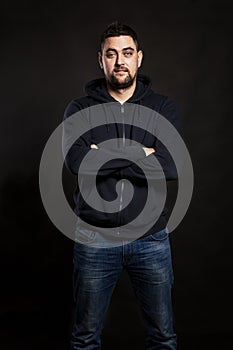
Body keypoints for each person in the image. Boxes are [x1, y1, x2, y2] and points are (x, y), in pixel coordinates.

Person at [63, 21, 181, 350]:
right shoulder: (80, 110)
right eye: (111, 54)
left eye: (127, 53)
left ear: (139, 58)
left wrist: (103, 153)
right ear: (100, 60)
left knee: (163, 337)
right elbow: (77, 162)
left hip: (151, 239)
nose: (120, 61)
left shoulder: (162, 108)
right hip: (94, 238)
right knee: (85, 338)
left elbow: (171, 165)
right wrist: (144, 152)